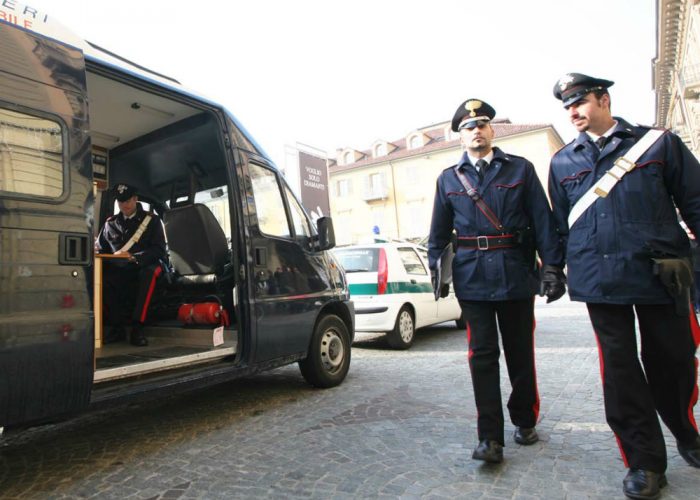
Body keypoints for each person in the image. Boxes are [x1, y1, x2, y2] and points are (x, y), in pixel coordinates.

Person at [548, 73, 700, 500]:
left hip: (659, 273)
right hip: (600, 278)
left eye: (580, 102)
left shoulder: (657, 143)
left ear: (604, 99)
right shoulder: (562, 162)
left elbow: (695, 199)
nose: (574, 112)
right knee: (621, 372)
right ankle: (645, 461)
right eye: (567, 107)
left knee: (673, 361)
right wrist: (554, 269)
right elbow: (560, 224)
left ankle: (685, 431)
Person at [428, 99, 566, 464]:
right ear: (460, 136)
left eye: (483, 124)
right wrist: (435, 274)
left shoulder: (520, 170)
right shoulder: (448, 179)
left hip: (516, 274)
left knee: (520, 353)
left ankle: (524, 419)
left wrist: (552, 267)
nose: (476, 130)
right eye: (468, 127)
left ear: (492, 131)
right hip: (473, 279)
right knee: (482, 357)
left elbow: (543, 221)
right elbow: (438, 235)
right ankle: (490, 438)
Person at [95, 183, 167, 346]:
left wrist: (134, 257)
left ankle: (137, 328)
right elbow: (101, 249)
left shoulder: (152, 221)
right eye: (120, 202)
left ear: (135, 199)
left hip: (144, 264)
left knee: (148, 274)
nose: (124, 205)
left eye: (127, 201)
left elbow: (159, 250)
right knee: (102, 279)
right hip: (120, 268)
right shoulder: (110, 223)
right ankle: (117, 328)